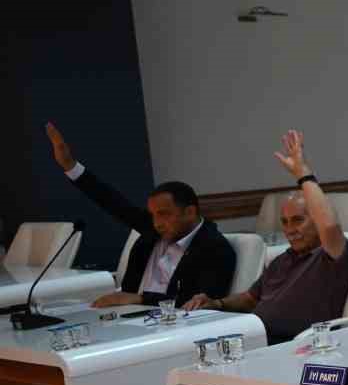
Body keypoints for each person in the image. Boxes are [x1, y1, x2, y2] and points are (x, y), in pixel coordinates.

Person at [183, 131, 348, 344]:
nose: (290, 229)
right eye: (284, 222)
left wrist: (303, 173)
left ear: (316, 221)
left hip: (292, 344)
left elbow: (329, 225)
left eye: (298, 220)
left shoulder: (331, 256)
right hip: (252, 336)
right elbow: (250, 298)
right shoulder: (283, 260)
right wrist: (216, 304)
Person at [45, 122, 235, 309]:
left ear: (190, 212)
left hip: (170, 326)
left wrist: (140, 299)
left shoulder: (214, 248)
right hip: (126, 315)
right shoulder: (154, 230)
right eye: (153, 215)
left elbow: (197, 304)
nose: (157, 223)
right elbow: (112, 201)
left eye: (164, 214)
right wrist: (71, 166)